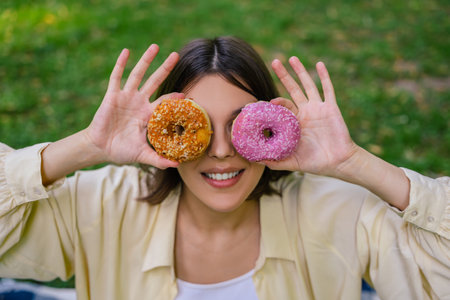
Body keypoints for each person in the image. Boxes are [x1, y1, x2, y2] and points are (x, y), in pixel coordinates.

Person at [0, 36, 448, 300]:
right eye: (198, 126)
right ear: (162, 128)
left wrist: (354, 163)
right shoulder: (102, 202)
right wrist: (85, 146)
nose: (218, 152)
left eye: (239, 127)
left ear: (274, 123)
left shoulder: (336, 209)